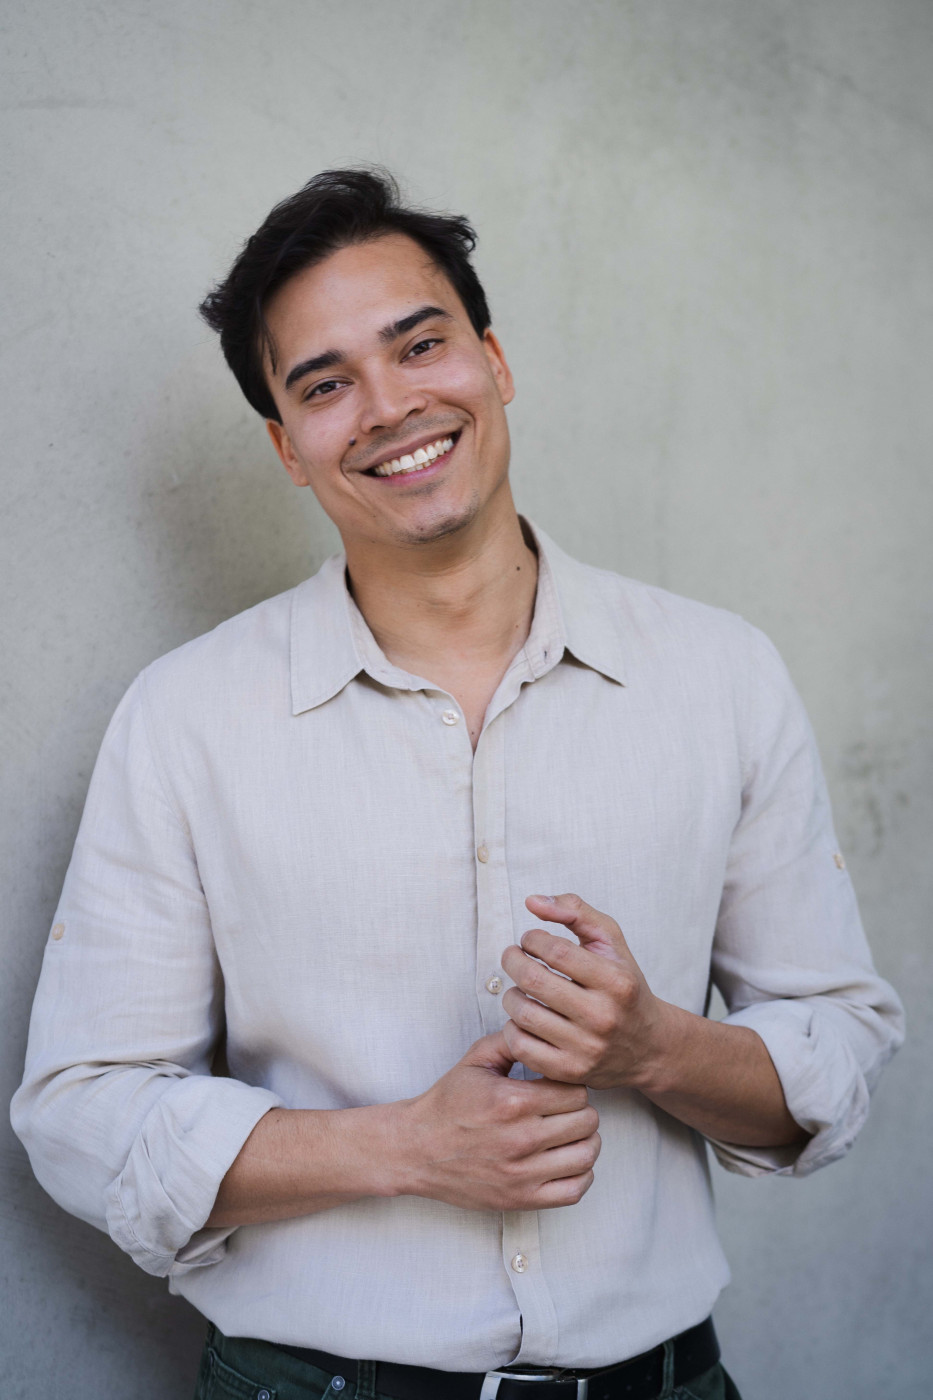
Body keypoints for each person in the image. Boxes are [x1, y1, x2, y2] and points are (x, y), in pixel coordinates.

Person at [12, 169, 904, 1400]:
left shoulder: (721, 676)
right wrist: (404, 1147)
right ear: (286, 447)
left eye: (419, 344)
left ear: (494, 360)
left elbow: (837, 1050)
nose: (389, 406)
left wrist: (657, 1045)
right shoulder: (186, 719)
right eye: (325, 384)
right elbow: (83, 1108)